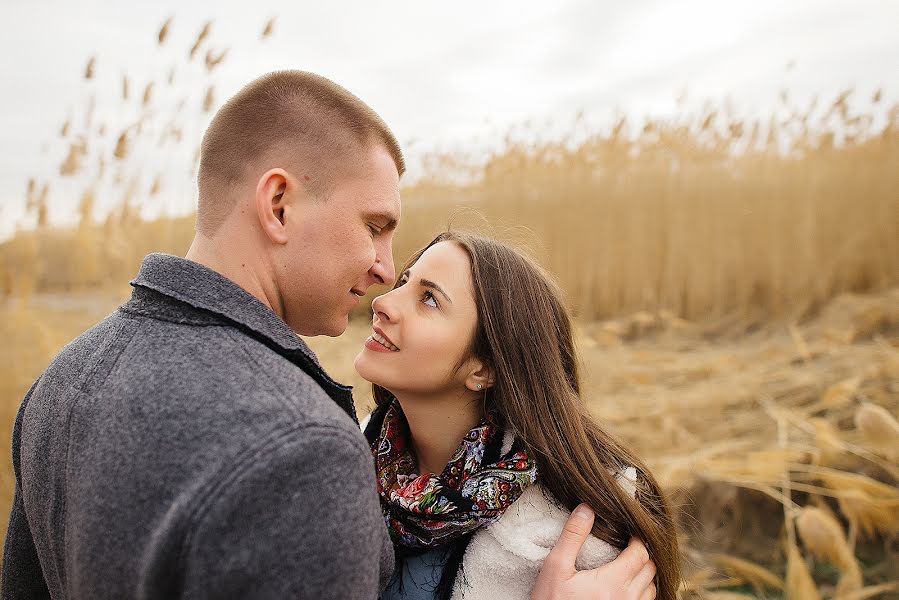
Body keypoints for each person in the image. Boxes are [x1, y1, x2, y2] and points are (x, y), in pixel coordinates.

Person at [2, 71, 657, 599]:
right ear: (279, 205)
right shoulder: (305, 451)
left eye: (422, 291)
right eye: (374, 226)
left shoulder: (63, 381)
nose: (380, 276)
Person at [355, 231, 679, 600]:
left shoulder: (578, 539)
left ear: (483, 369)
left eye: (428, 299)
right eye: (404, 282)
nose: (382, 302)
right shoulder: (340, 464)